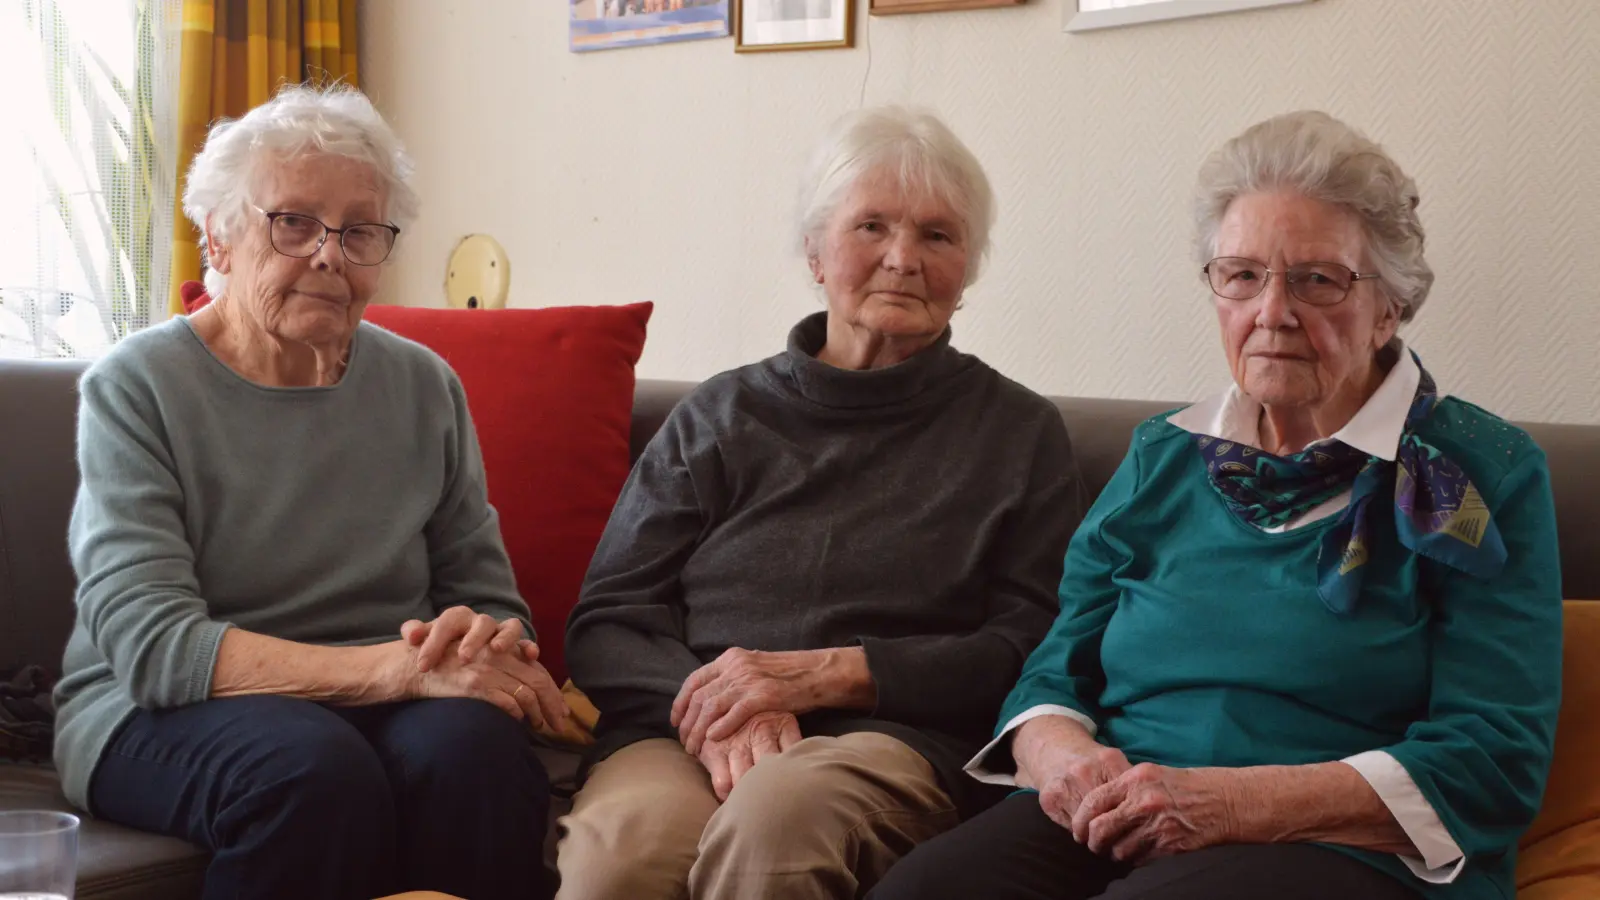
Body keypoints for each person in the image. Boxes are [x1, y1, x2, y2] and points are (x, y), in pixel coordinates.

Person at [870, 111, 1562, 900]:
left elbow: (1493, 755)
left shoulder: (1477, 475)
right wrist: (1062, 759)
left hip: (1346, 846)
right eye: (1241, 275)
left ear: (1391, 307)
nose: (1272, 312)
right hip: (1129, 806)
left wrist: (1230, 804)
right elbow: (1054, 669)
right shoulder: (1162, 455)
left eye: (1318, 279)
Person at [53, 84, 568, 900]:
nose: (329, 254)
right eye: (292, 222)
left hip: (388, 700)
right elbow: (153, 648)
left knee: (479, 755)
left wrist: (482, 640)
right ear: (218, 239)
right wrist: (393, 672)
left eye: (359, 230)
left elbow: (489, 600)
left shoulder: (424, 386)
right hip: (154, 711)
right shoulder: (139, 385)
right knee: (309, 770)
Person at [556, 106, 1081, 900]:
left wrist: (833, 676)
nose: (903, 259)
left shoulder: (1017, 433)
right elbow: (611, 617)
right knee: (618, 861)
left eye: (937, 236)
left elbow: (1029, 645)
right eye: (870, 226)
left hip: (892, 740)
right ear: (814, 251)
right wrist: (724, 709)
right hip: (688, 732)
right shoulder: (720, 416)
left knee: (777, 828)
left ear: (967, 272)